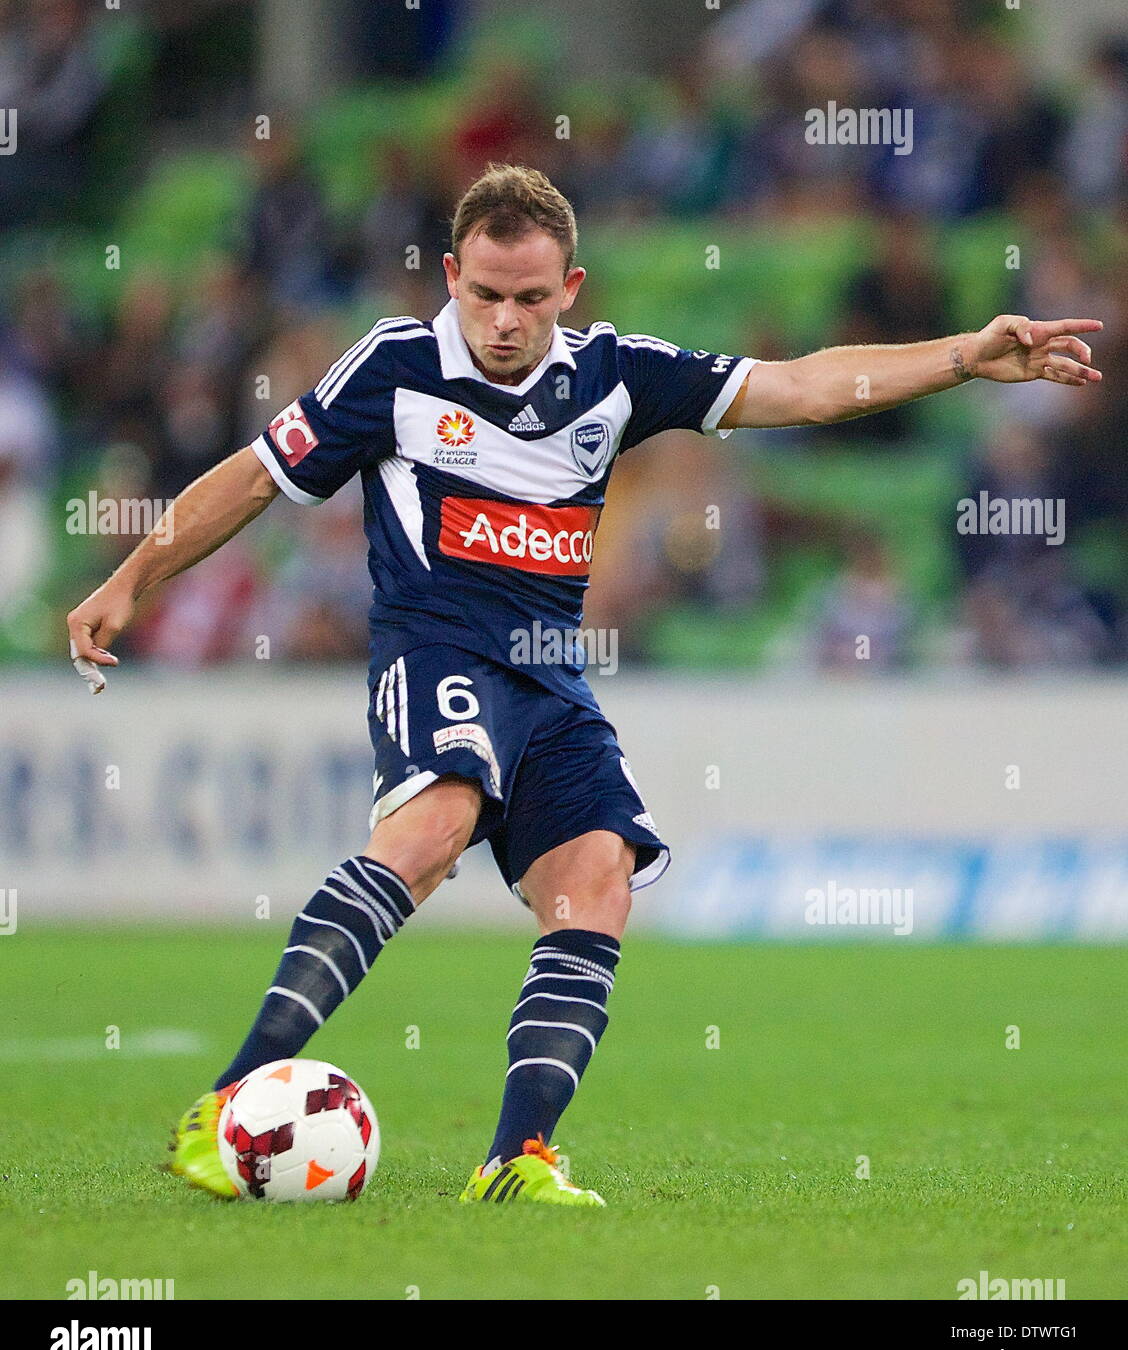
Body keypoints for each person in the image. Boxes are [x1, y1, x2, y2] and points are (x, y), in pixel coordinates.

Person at [67, 164, 1102, 1207]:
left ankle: (515, 1159)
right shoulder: (391, 367)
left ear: (571, 287)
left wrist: (964, 357)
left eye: (529, 297)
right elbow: (253, 477)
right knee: (433, 824)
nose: (505, 320)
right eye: (484, 294)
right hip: (437, 652)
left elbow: (804, 385)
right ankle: (226, 1102)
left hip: (553, 676)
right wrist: (130, 580)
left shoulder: (618, 373)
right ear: (450, 277)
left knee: (596, 880)